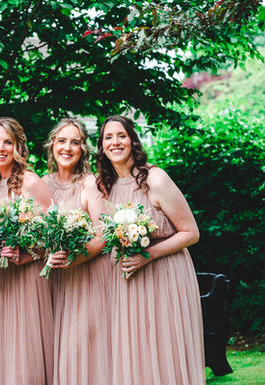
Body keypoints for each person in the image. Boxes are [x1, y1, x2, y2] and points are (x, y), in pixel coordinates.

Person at [96, 115, 205, 385]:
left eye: (121, 135)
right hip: (128, 283)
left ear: (133, 140)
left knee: (164, 347)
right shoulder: (105, 188)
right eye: (108, 137)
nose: (115, 142)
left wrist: (148, 256)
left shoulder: (155, 179)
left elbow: (191, 233)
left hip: (165, 276)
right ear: (102, 146)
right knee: (136, 351)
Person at [0, 117, 54, 385]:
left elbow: (52, 235)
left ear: (18, 147)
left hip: (26, 278)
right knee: (0, 346)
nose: (1, 148)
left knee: (24, 346)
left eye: (7, 142)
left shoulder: (31, 182)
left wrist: (27, 255)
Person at [42, 118, 111, 385]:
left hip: (86, 280)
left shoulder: (89, 184)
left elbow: (103, 233)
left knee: (81, 350)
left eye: (75, 142)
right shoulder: (42, 184)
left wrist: (73, 259)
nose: (67, 148)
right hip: (53, 283)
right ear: (52, 145)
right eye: (62, 141)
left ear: (83, 148)